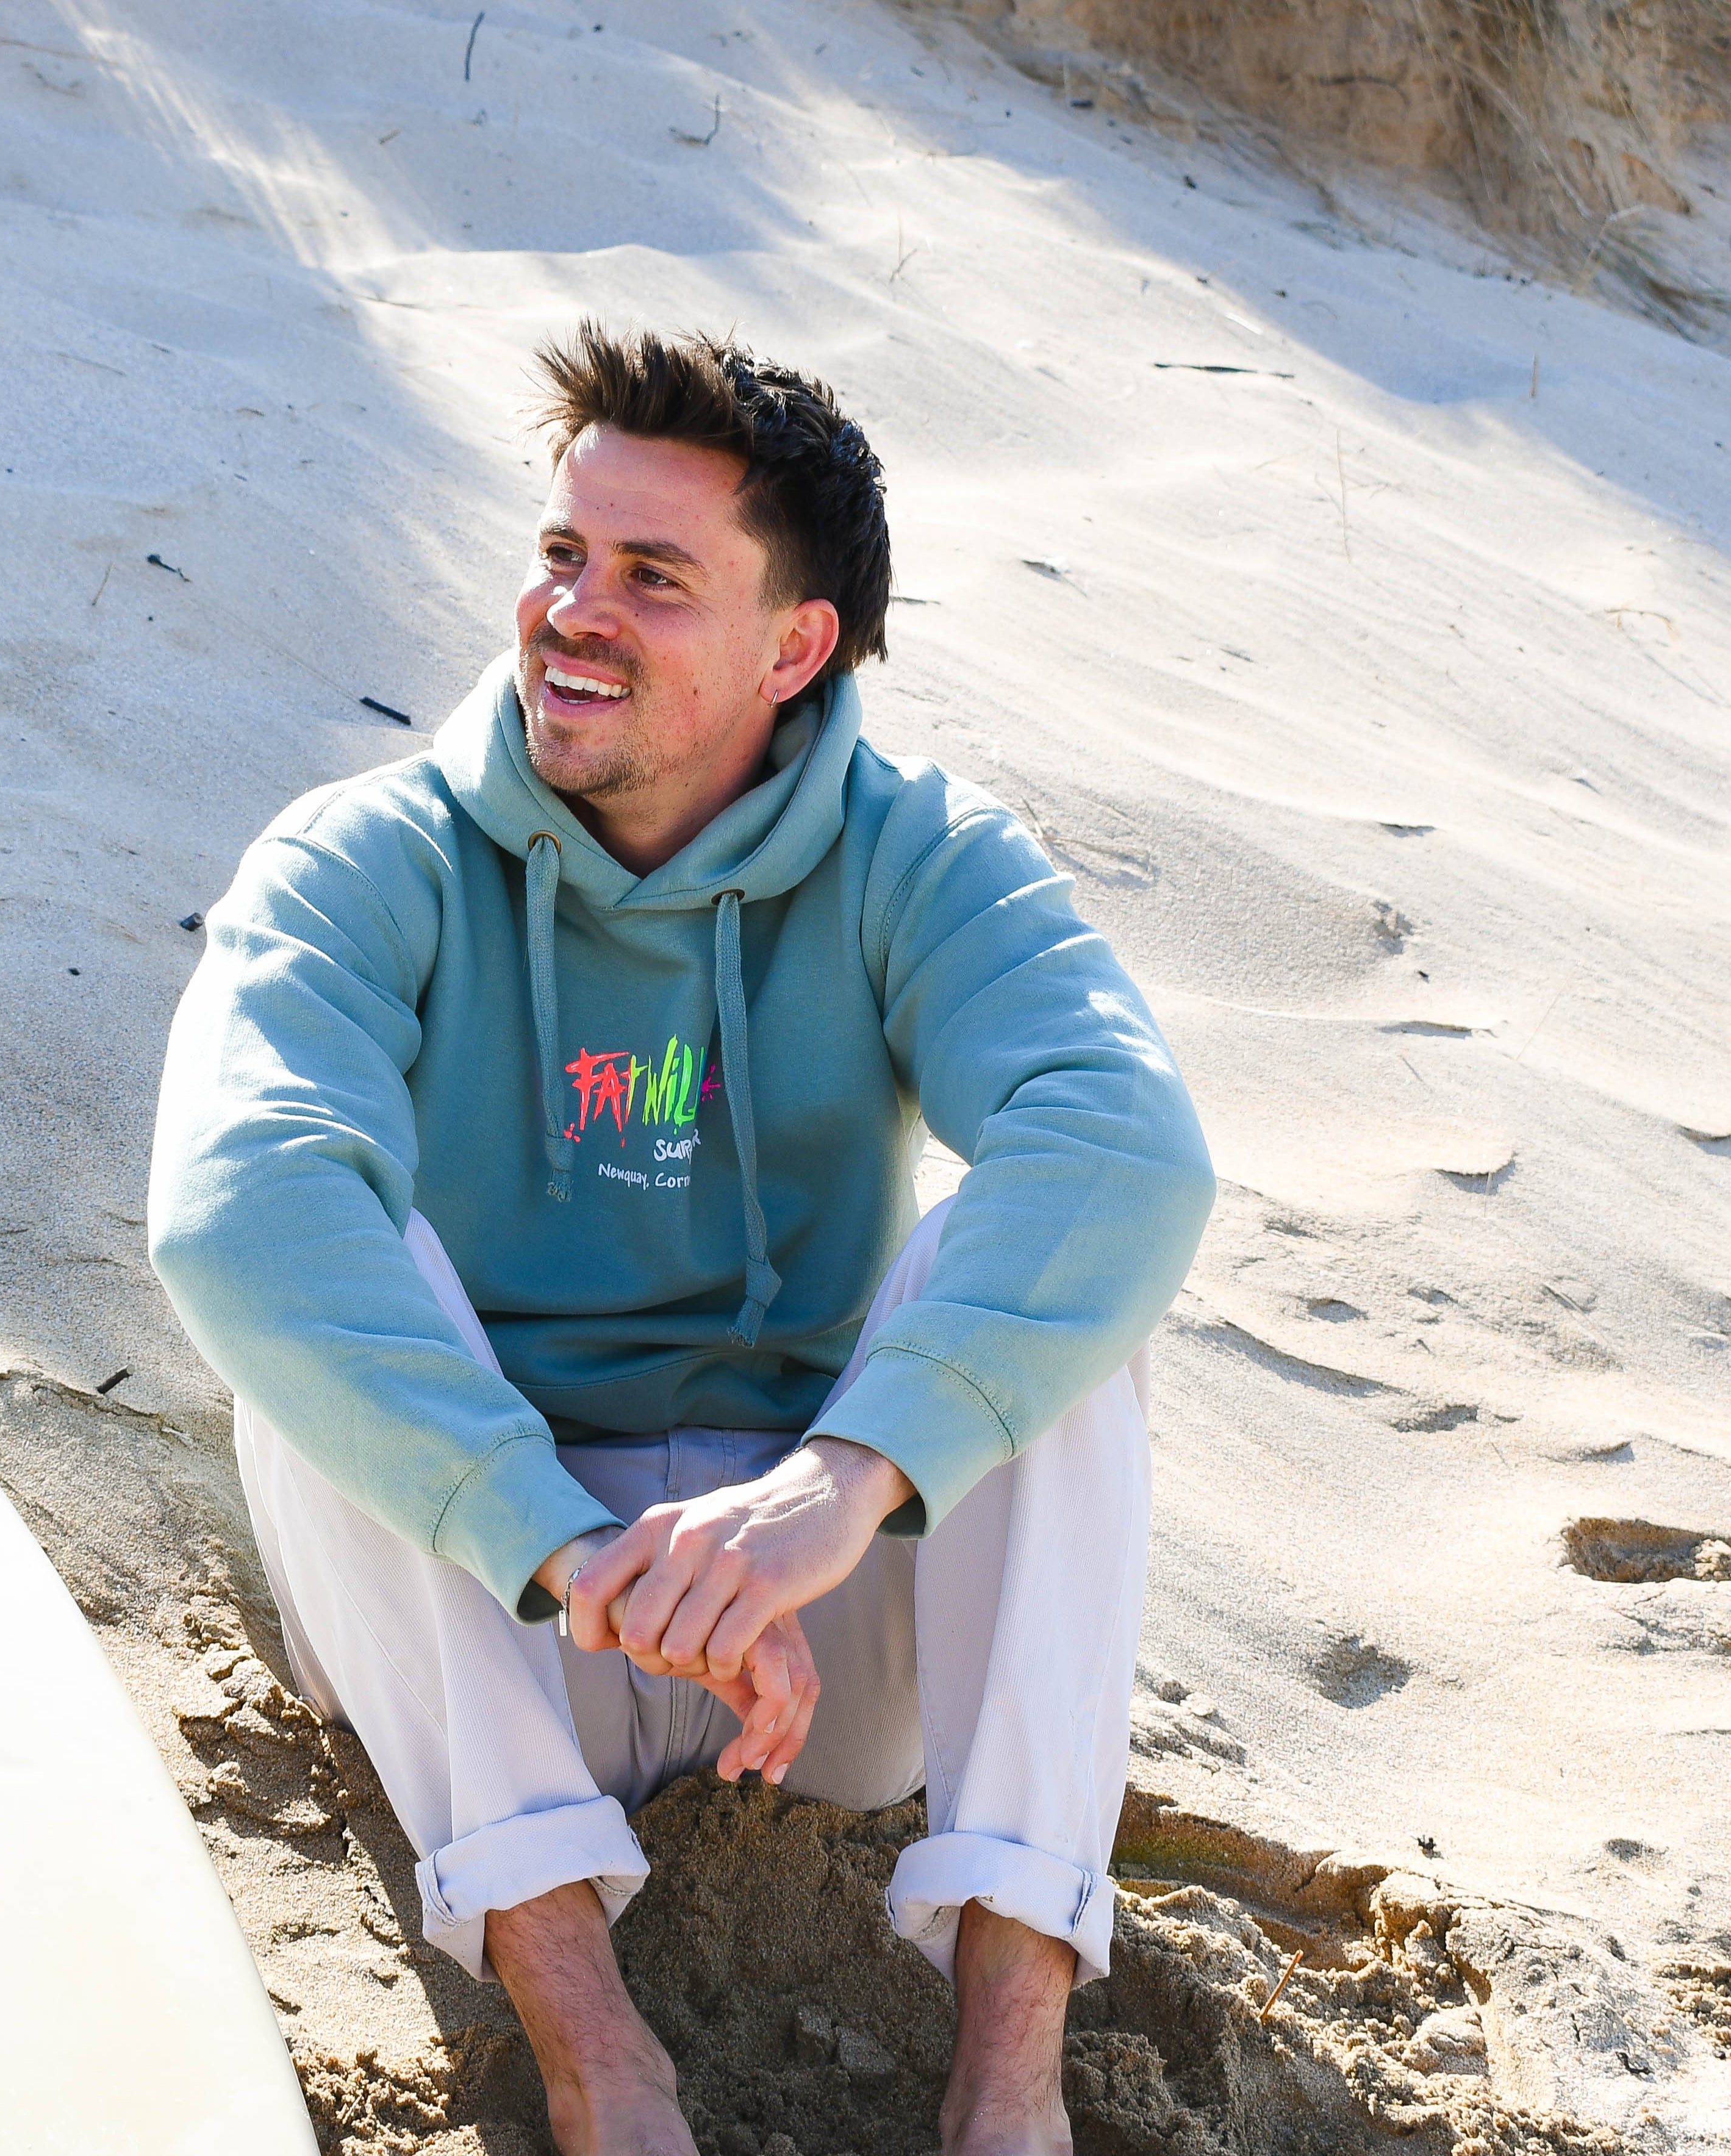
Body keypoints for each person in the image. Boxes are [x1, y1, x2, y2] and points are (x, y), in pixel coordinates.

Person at [148, 323, 1213, 2156]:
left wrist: (842, 1487)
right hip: (485, 1634)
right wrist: (563, 1548)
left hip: (803, 1660)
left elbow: (1127, 1144)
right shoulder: (363, 859)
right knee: (317, 1277)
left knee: (1046, 1282)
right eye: (565, 554)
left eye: (653, 576)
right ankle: (596, 2052)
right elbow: (238, 1209)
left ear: (795, 646)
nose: (575, 609)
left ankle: (1010, 2083)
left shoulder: (919, 856)